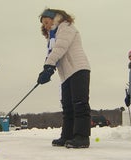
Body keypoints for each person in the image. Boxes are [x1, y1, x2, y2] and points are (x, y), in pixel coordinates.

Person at [37, 8, 91, 148]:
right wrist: (47, 70)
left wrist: (49, 65)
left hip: (79, 69)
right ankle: (67, 135)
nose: (45, 26)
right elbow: (52, 53)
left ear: (54, 18)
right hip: (66, 74)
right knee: (67, 107)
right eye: (43, 24)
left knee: (79, 104)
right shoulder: (52, 36)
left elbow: (60, 48)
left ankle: (82, 137)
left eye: (47, 22)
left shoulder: (66, 27)